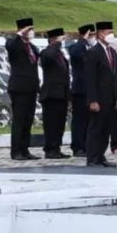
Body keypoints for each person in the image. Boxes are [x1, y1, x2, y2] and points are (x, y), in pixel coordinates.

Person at [6, 17, 41, 161]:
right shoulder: (14, 43)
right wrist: (20, 34)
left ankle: (25, 149)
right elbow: (11, 47)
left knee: (28, 120)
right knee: (19, 120)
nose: (31, 32)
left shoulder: (32, 47)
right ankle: (16, 151)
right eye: (29, 29)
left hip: (31, 87)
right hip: (19, 88)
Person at [85, 21, 117, 167]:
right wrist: (93, 100)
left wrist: (116, 97)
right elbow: (90, 78)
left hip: (110, 98)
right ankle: (92, 157)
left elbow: (114, 76)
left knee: (106, 129)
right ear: (99, 34)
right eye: (107, 32)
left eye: (111, 31)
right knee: (96, 128)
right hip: (99, 98)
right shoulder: (93, 52)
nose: (110, 35)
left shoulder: (111, 51)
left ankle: (101, 155)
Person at [39, 28, 71, 159]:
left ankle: (56, 147)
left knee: (59, 123)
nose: (61, 41)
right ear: (52, 39)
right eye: (59, 38)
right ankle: (50, 148)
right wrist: (54, 45)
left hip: (62, 94)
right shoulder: (47, 53)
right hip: (51, 94)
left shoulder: (60, 54)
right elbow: (47, 56)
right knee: (51, 123)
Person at [68, 24, 95, 157]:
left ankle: (86, 145)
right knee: (80, 120)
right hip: (80, 90)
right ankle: (78, 146)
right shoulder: (76, 47)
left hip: (90, 90)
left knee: (89, 120)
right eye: (91, 35)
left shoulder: (91, 48)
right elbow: (76, 53)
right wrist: (83, 39)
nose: (92, 38)